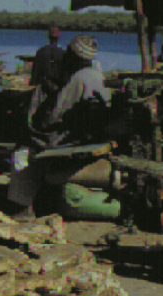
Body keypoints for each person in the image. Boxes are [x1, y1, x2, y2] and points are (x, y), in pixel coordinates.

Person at [9, 35, 112, 218]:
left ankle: (22, 208)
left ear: (71, 54)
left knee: (23, 153)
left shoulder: (80, 78)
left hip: (70, 139)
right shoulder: (94, 74)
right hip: (85, 135)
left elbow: (54, 117)